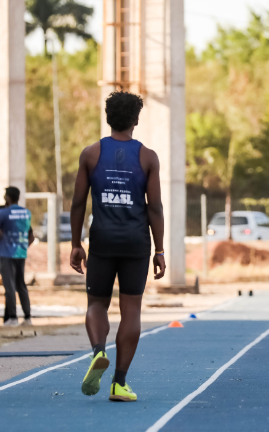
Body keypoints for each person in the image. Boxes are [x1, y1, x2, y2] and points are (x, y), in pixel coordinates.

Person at [70, 91, 166, 402]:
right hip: (136, 242)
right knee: (131, 311)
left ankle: (99, 351)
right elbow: (155, 208)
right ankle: (119, 383)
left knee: (96, 304)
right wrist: (160, 249)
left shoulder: (90, 154)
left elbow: (77, 204)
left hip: (102, 240)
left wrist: (75, 244)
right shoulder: (148, 156)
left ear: (108, 117)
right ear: (136, 120)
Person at [0, 186, 35, 327]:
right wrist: (23, 247)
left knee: (9, 286)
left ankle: (13, 318)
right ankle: (27, 317)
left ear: (8, 197)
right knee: (21, 285)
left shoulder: (3, 213)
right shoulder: (26, 213)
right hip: (21, 253)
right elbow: (31, 236)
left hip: (7, 253)